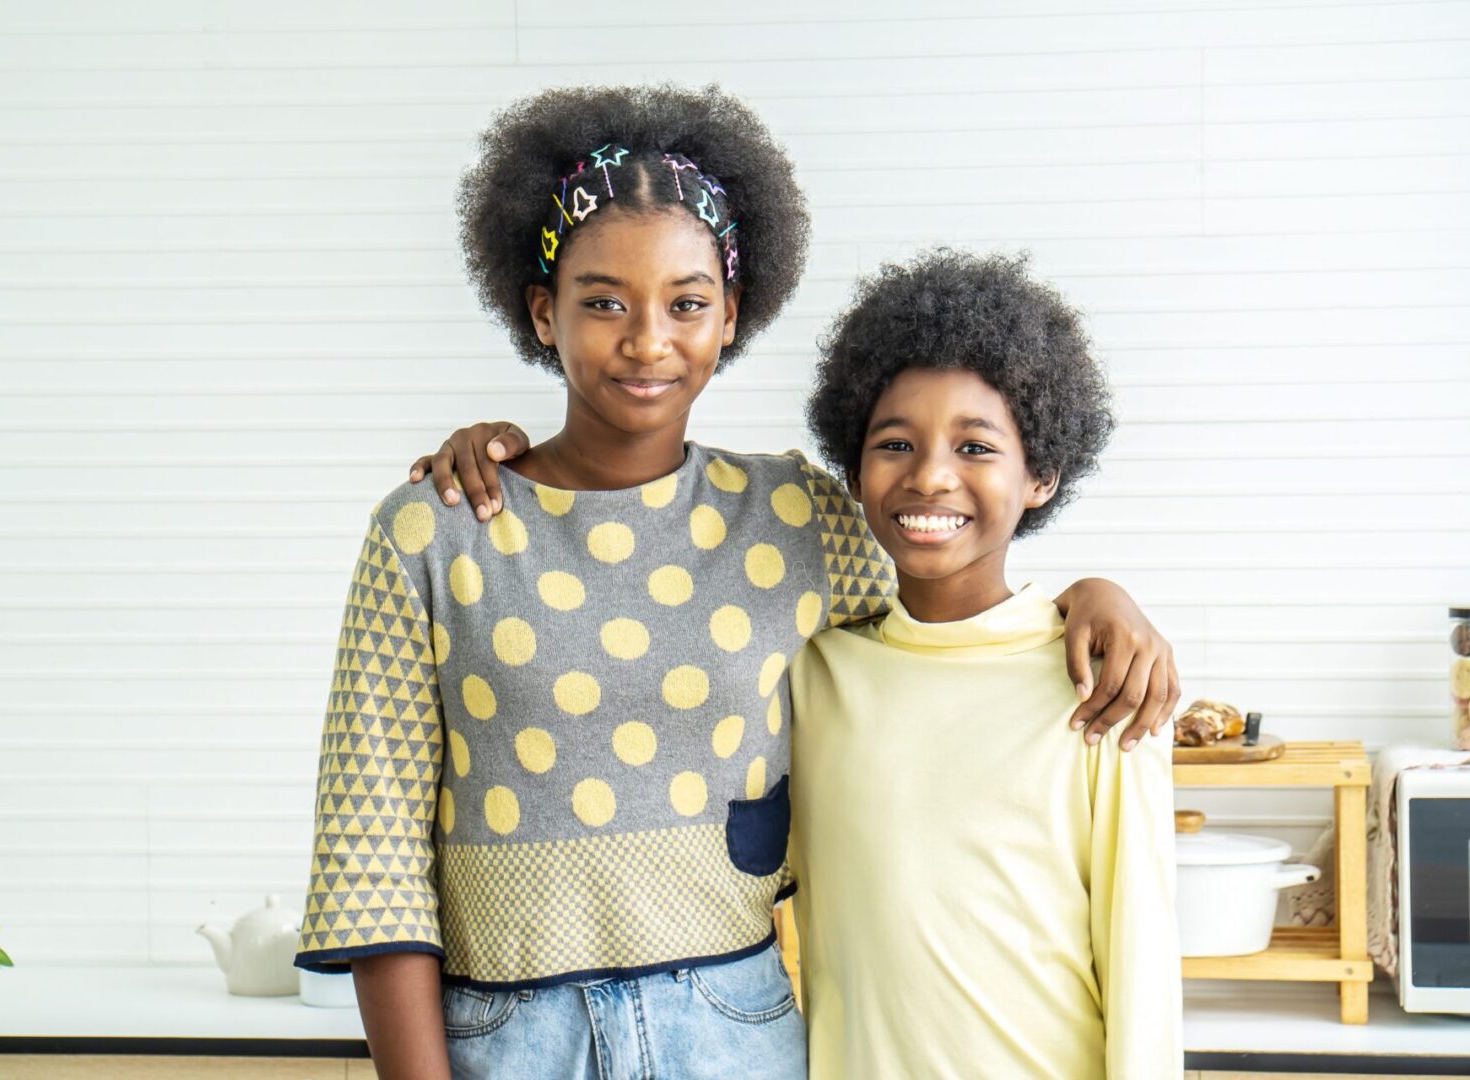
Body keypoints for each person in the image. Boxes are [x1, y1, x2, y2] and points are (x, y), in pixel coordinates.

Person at [300, 83, 1179, 1080]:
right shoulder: (434, 532)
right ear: (541, 313)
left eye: (686, 303)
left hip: (737, 1029)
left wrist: (1095, 593)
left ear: (731, 317)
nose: (646, 340)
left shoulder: (796, 522)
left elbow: (949, 557)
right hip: (508, 1037)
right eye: (601, 302)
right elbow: (371, 860)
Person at [791, 250, 1181, 1079]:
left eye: (976, 447)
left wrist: (1098, 591)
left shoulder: (1099, 690)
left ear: (1040, 475)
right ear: (855, 469)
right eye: (894, 442)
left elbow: (1142, 964)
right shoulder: (814, 675)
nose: (930, 475)